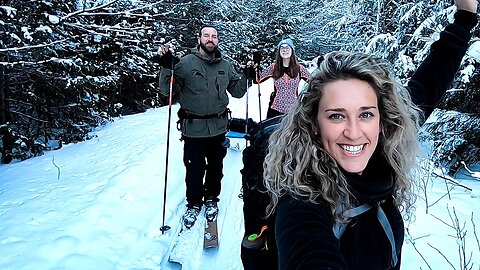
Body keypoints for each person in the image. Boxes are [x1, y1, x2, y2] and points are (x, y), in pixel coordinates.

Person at [263, 1, 478, 269]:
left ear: (382, 119)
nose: (354, 133)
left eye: (365, 114)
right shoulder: (302, 200)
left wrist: (466, 17)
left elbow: (430, 81)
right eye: (336, 115)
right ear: (314, 123)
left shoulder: (386, 144)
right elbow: (307, 249)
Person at [157, 25, 251, 228]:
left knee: (216, 167)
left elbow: (237, 92)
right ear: (199, 38)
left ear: (218, 40)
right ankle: (193, 204)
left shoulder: (225, 66)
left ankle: (211, 199)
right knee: (194, 168)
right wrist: (166, 67)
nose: (211, 39)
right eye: (206, 35)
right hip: (193, 128)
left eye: (214, 36)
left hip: (218, 127)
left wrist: (248, 75)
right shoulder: (185, 64)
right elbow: (168, 92)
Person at [256, 38, 311, 119]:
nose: (285, 50)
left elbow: (314, 82)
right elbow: (258, 79)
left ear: (292, 50)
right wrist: (254, 68)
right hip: (275, 108)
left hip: (293, 109)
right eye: (282, 48)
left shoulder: (299, 68)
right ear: (279, 52)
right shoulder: (274, 67)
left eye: (287, 48)